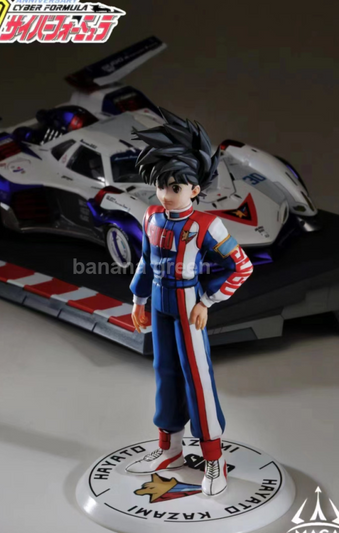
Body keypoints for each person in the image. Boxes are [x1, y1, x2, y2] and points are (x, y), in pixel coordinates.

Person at [126, 109, 254, 497]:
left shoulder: (207, 225)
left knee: (197, 377)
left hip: (187, 303)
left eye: (175, 187)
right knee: (165, 372)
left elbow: (241, 266)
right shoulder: (151, 217)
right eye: (161, 185)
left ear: (195, 189)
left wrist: (208, 301)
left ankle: (214, 458)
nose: (166, 194)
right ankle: (170, 449)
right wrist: (138, 298)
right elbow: (145, 260)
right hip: (159, 302)